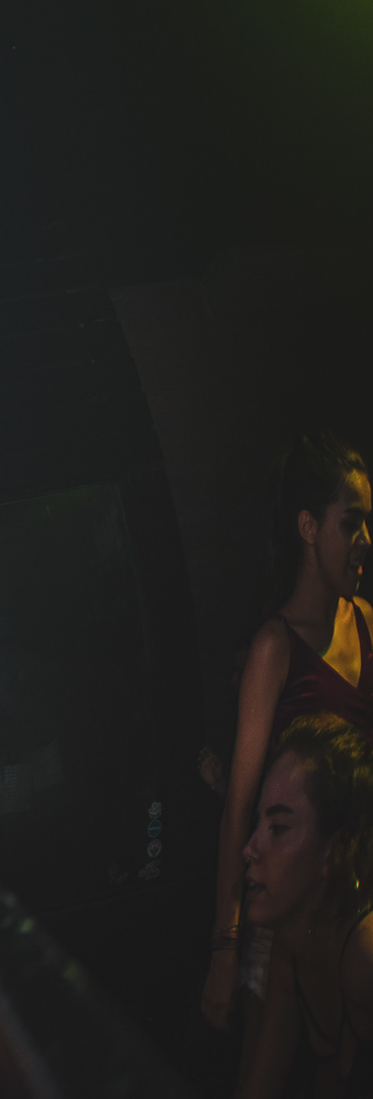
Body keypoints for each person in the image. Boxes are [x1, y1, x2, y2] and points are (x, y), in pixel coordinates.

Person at [204, 435, 372, 1030]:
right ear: (308, 527)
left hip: (356, 904)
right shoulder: (274, 648)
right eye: (351, 523)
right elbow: (240, 808)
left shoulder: (368, 625)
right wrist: (225, 947)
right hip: (291, 922)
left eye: (369, 524)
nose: (366, 540)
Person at [218, 713, 373, 1099]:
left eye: (279, 827)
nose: (250, 848)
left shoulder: (365, 954)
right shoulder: (293, 945)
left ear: (333, 852)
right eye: (257, 824)